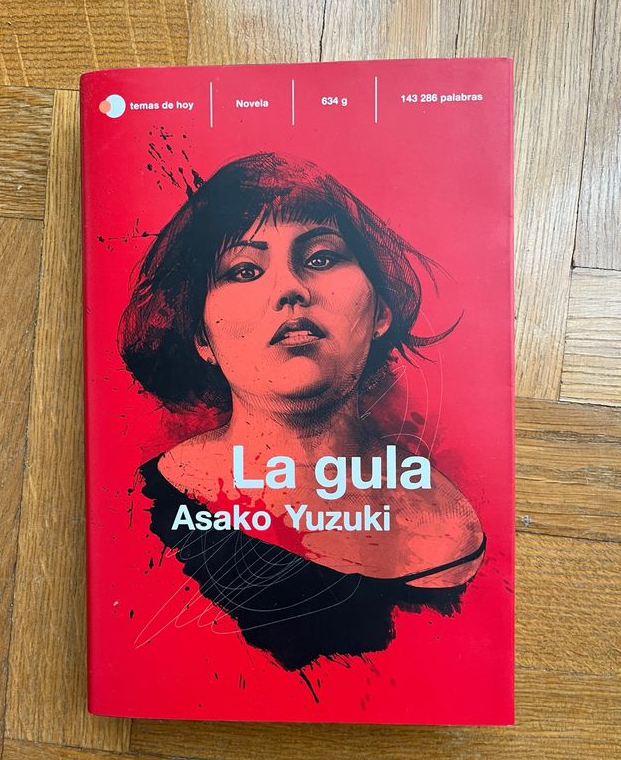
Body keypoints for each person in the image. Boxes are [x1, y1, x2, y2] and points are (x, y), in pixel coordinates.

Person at [119, 152, 485, 671]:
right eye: (245, 270)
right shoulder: (140, 513)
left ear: (381, 310)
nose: (290, 289)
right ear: (201, 335)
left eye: (320, 258)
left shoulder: (447, 529)